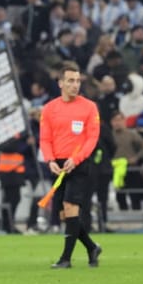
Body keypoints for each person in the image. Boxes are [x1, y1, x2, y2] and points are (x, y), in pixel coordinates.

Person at [39, 64, 103, 269]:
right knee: (64, 214)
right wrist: (50, 160)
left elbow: (92, 138)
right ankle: (92, 247)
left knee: (70, 208)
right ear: (61, 83)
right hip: (58, 165)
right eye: (70, 81)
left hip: (79, 164)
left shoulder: (89, 107)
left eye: (77, 81)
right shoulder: (49, 109)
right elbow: (45, 138)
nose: (75, 85)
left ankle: (65, 259)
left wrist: (77, 159)